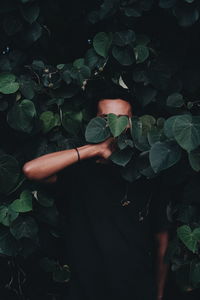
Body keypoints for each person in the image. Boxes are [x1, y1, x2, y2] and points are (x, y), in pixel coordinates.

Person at [22, 83, 171, 300]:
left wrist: (158, 295)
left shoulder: (148, 171)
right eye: (106, 119)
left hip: (137, 290)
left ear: (132, 123)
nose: (115, 126)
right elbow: (31, 170)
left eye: (122, 119)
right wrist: (93, 149)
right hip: (87, 291)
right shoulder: (79, 172)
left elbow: (162, 239)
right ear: (95, 123)